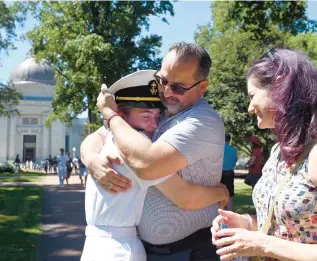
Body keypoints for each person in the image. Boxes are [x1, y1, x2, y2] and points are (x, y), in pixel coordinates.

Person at [81, 42, 225, 261]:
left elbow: (149, 165)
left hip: (191, 249)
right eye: (162, 81)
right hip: (140, 249)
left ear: (202, 87)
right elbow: (99, 135)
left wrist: (112, 116)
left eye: (178, 87)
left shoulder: (202, 120)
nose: (166, 92)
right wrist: (91, 158)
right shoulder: (157, 115)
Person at [211, 47, 317, 261]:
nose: (249, 108)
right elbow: (286, 226)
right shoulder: (277, 151)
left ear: (278, 87)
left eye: (252, 95)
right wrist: (246, 223)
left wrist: (262, 244)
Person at [221, 133, 237, 211]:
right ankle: (230, 213)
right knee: (229, 194)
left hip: (219, 173)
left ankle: (221, 213)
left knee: (220, 193)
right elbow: (234, 161)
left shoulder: (219, 149)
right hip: (229, 172)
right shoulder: (233, 150)